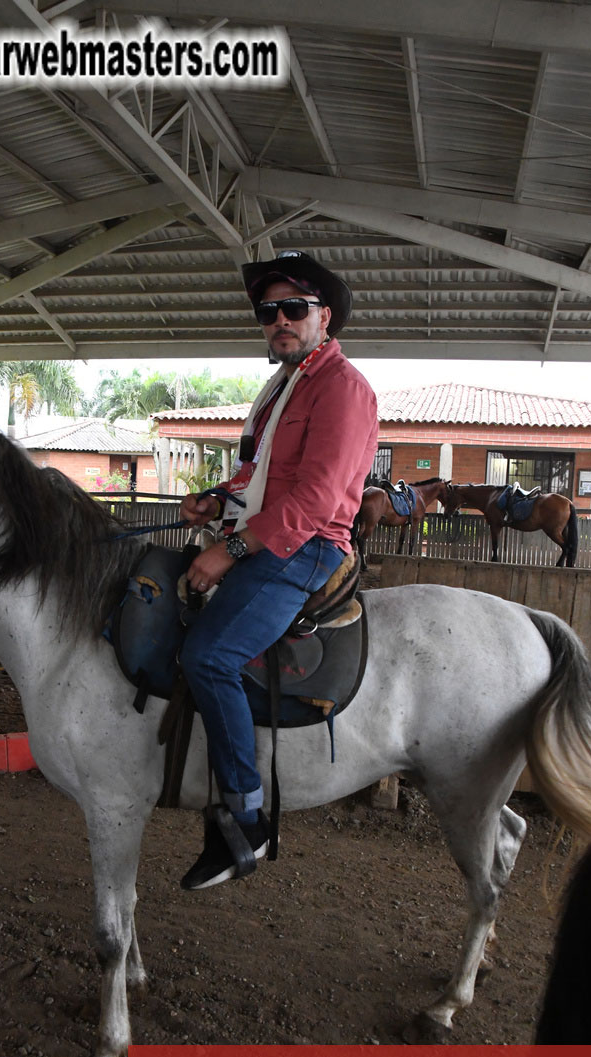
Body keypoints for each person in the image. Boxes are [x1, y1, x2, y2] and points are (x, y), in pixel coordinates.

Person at [178, 250, 379, 890]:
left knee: (207, 656)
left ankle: (248, 816)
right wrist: (216, 497)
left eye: (293, 308)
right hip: (272, 533)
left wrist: (228, 550)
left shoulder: (343, 389)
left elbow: (316, 499)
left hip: (309, 545)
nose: (279, 321)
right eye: (269, 312)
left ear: (325, 317)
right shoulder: (283, 388)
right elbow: (256, 474)